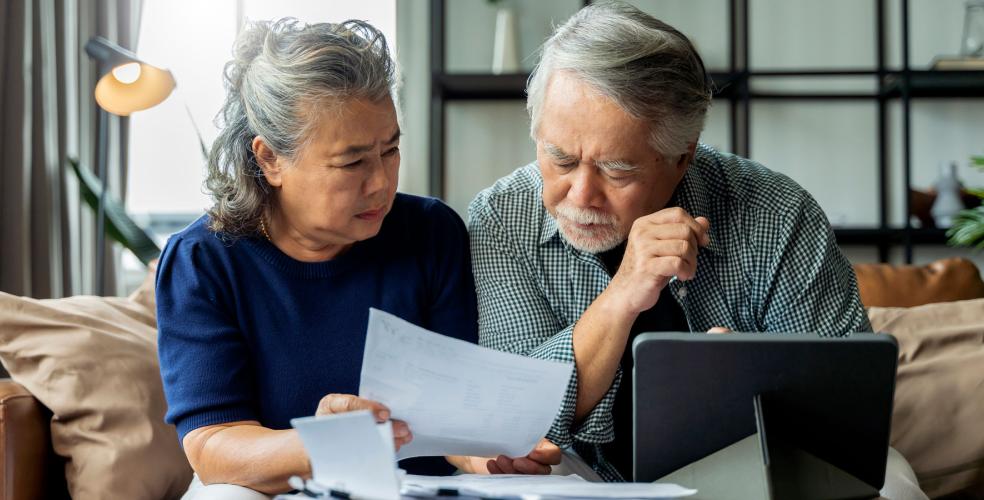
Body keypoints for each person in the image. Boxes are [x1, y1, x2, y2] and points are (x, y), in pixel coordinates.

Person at [467, 2, 927, 499]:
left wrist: (744, 385)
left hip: (755, 461)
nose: (580, 195)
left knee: (891, 481)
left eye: (616, 170)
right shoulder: (500, 218)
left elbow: (847, 404)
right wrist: (623, 294)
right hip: (580, 471)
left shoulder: (778, 213)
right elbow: (513, 414)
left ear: (683, 157)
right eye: (559, 159)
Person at [157, 19, 552, 499]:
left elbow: (453, 424)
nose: (382, 183)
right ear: (270, 159)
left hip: (413, 488)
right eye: (352, 162)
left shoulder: (430, 234)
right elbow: (212, 446)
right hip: (266, 489)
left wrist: (490, 456)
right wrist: (323, 444)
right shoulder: (203, 260)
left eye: (391, 150)